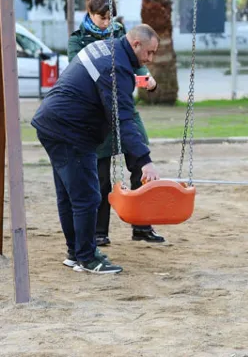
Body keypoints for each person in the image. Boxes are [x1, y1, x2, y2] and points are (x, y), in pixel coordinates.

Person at [32, 24, 161, 274]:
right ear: (135, 45)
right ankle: (88, 257)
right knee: (88, 196)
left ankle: (76, 253)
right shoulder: (117, 66)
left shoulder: (108, 49)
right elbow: (123, 118)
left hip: (51, 121)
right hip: (70, 129)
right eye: (149, 52)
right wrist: (145, 161)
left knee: (69, 194)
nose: (150, 59)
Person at [68, 0, 165, 246]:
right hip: (99, 112)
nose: (107, 22)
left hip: (123, 107)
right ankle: (100, 232)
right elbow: (78, 68)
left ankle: (141, 225)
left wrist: (146, 77)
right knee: (100, 175)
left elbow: (135, 61)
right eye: (102, 17)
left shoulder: (123, 34)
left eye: (111, 17)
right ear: (90, 14)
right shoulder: (78, 40)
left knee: (140, 160)